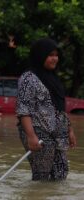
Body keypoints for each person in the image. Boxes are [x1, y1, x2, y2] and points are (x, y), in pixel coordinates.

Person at [16, 38, 77, 181]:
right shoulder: (28, 78)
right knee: (42, 176)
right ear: (40, 56)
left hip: (58, 133)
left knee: (61, 173)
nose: (55, 58)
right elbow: (23, 109)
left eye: (56, 55)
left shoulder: (54, 79)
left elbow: (60, 108)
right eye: (50, 55)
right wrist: (31, 136)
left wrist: (70, 130)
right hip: (38, 132)